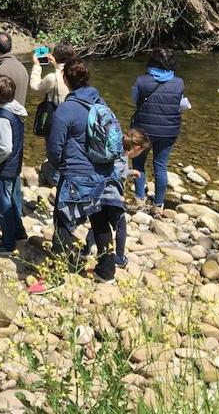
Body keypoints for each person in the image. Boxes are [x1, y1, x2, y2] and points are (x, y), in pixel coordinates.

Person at [44, 58, 126, 286]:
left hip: (76, 175)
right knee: (99, 219)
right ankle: (106, 271)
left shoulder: (66, 109)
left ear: (65, 79)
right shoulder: (101, 102)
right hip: (105, 173)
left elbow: (54, 148)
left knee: (63, 222)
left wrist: (60, 166)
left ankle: (56, 274)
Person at [130, 48, 191, 211]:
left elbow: (134, 99)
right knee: (161, 165)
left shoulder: (141, 80)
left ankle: (139, 200)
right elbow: (179, 105)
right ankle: (158, 204)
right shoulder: (179, 83)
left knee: (138, 162)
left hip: (142, 130)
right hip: (168, 131)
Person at [82, 128, 150, 270]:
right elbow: (114, 174)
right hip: (111, 198)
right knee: (120, 226)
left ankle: (86, 250)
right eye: (141, 152)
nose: (140, 154)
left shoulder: (114, 152)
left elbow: (114, 170)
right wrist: (118, 194)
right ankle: (119, 257)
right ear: (137, 148)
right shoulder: (123, 158)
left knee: (99, 223)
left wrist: (130, 172)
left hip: (98, 195)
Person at [0, 74, 28, 254]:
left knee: (3, 204)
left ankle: (8, 242)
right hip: (15, 164)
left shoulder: (4, 117)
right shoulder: (17, 110)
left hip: (4, 167)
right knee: (12, 198)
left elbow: (5, 147)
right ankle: (19, 232)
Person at [0, 32, 29, 106]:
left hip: (3, 116)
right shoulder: (21, 67)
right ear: (11, 47)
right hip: (18, 116)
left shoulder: (0, 71)